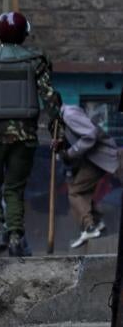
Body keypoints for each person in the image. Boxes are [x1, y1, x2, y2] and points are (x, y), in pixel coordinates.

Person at [0, 12, 61, 258]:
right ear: (24, 33)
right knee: (15, 188)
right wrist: (56, 129)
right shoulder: (36, 60)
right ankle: (17, 238)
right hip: (25, 136)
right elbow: (50, 98)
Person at [55, 104, 119, 248]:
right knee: (81, 192)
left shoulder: (69, 114)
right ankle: (96, 224)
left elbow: (90, 134)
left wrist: (70, 152)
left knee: (76, 192)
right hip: (92, 160)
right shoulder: (63, 118)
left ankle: (91, 227)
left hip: (100, 158)